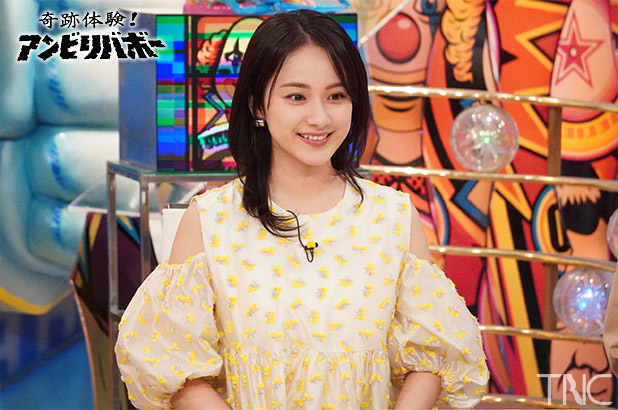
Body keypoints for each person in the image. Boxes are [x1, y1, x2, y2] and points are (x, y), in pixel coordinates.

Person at [115, 9, 488, 409]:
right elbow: (177, 366)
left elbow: (430, 357)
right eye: (296, 96)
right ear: (258, 106)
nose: (320, 117)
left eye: (336, 96)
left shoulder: (393, 216)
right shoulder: (210, 220)